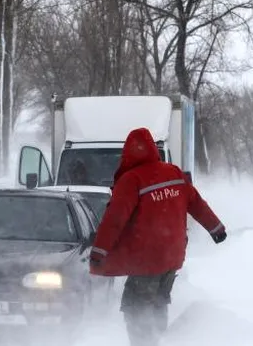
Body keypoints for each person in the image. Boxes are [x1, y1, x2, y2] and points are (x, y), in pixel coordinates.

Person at [89, 127, 227, 346]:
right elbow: (197, 204)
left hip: (147, 260)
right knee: (158, 302)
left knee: (135, 306)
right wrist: (216, 228)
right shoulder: (173, 172)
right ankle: (159, 339)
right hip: (172, 257)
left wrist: (99, 251)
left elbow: (114, 219)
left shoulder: (131, 180)